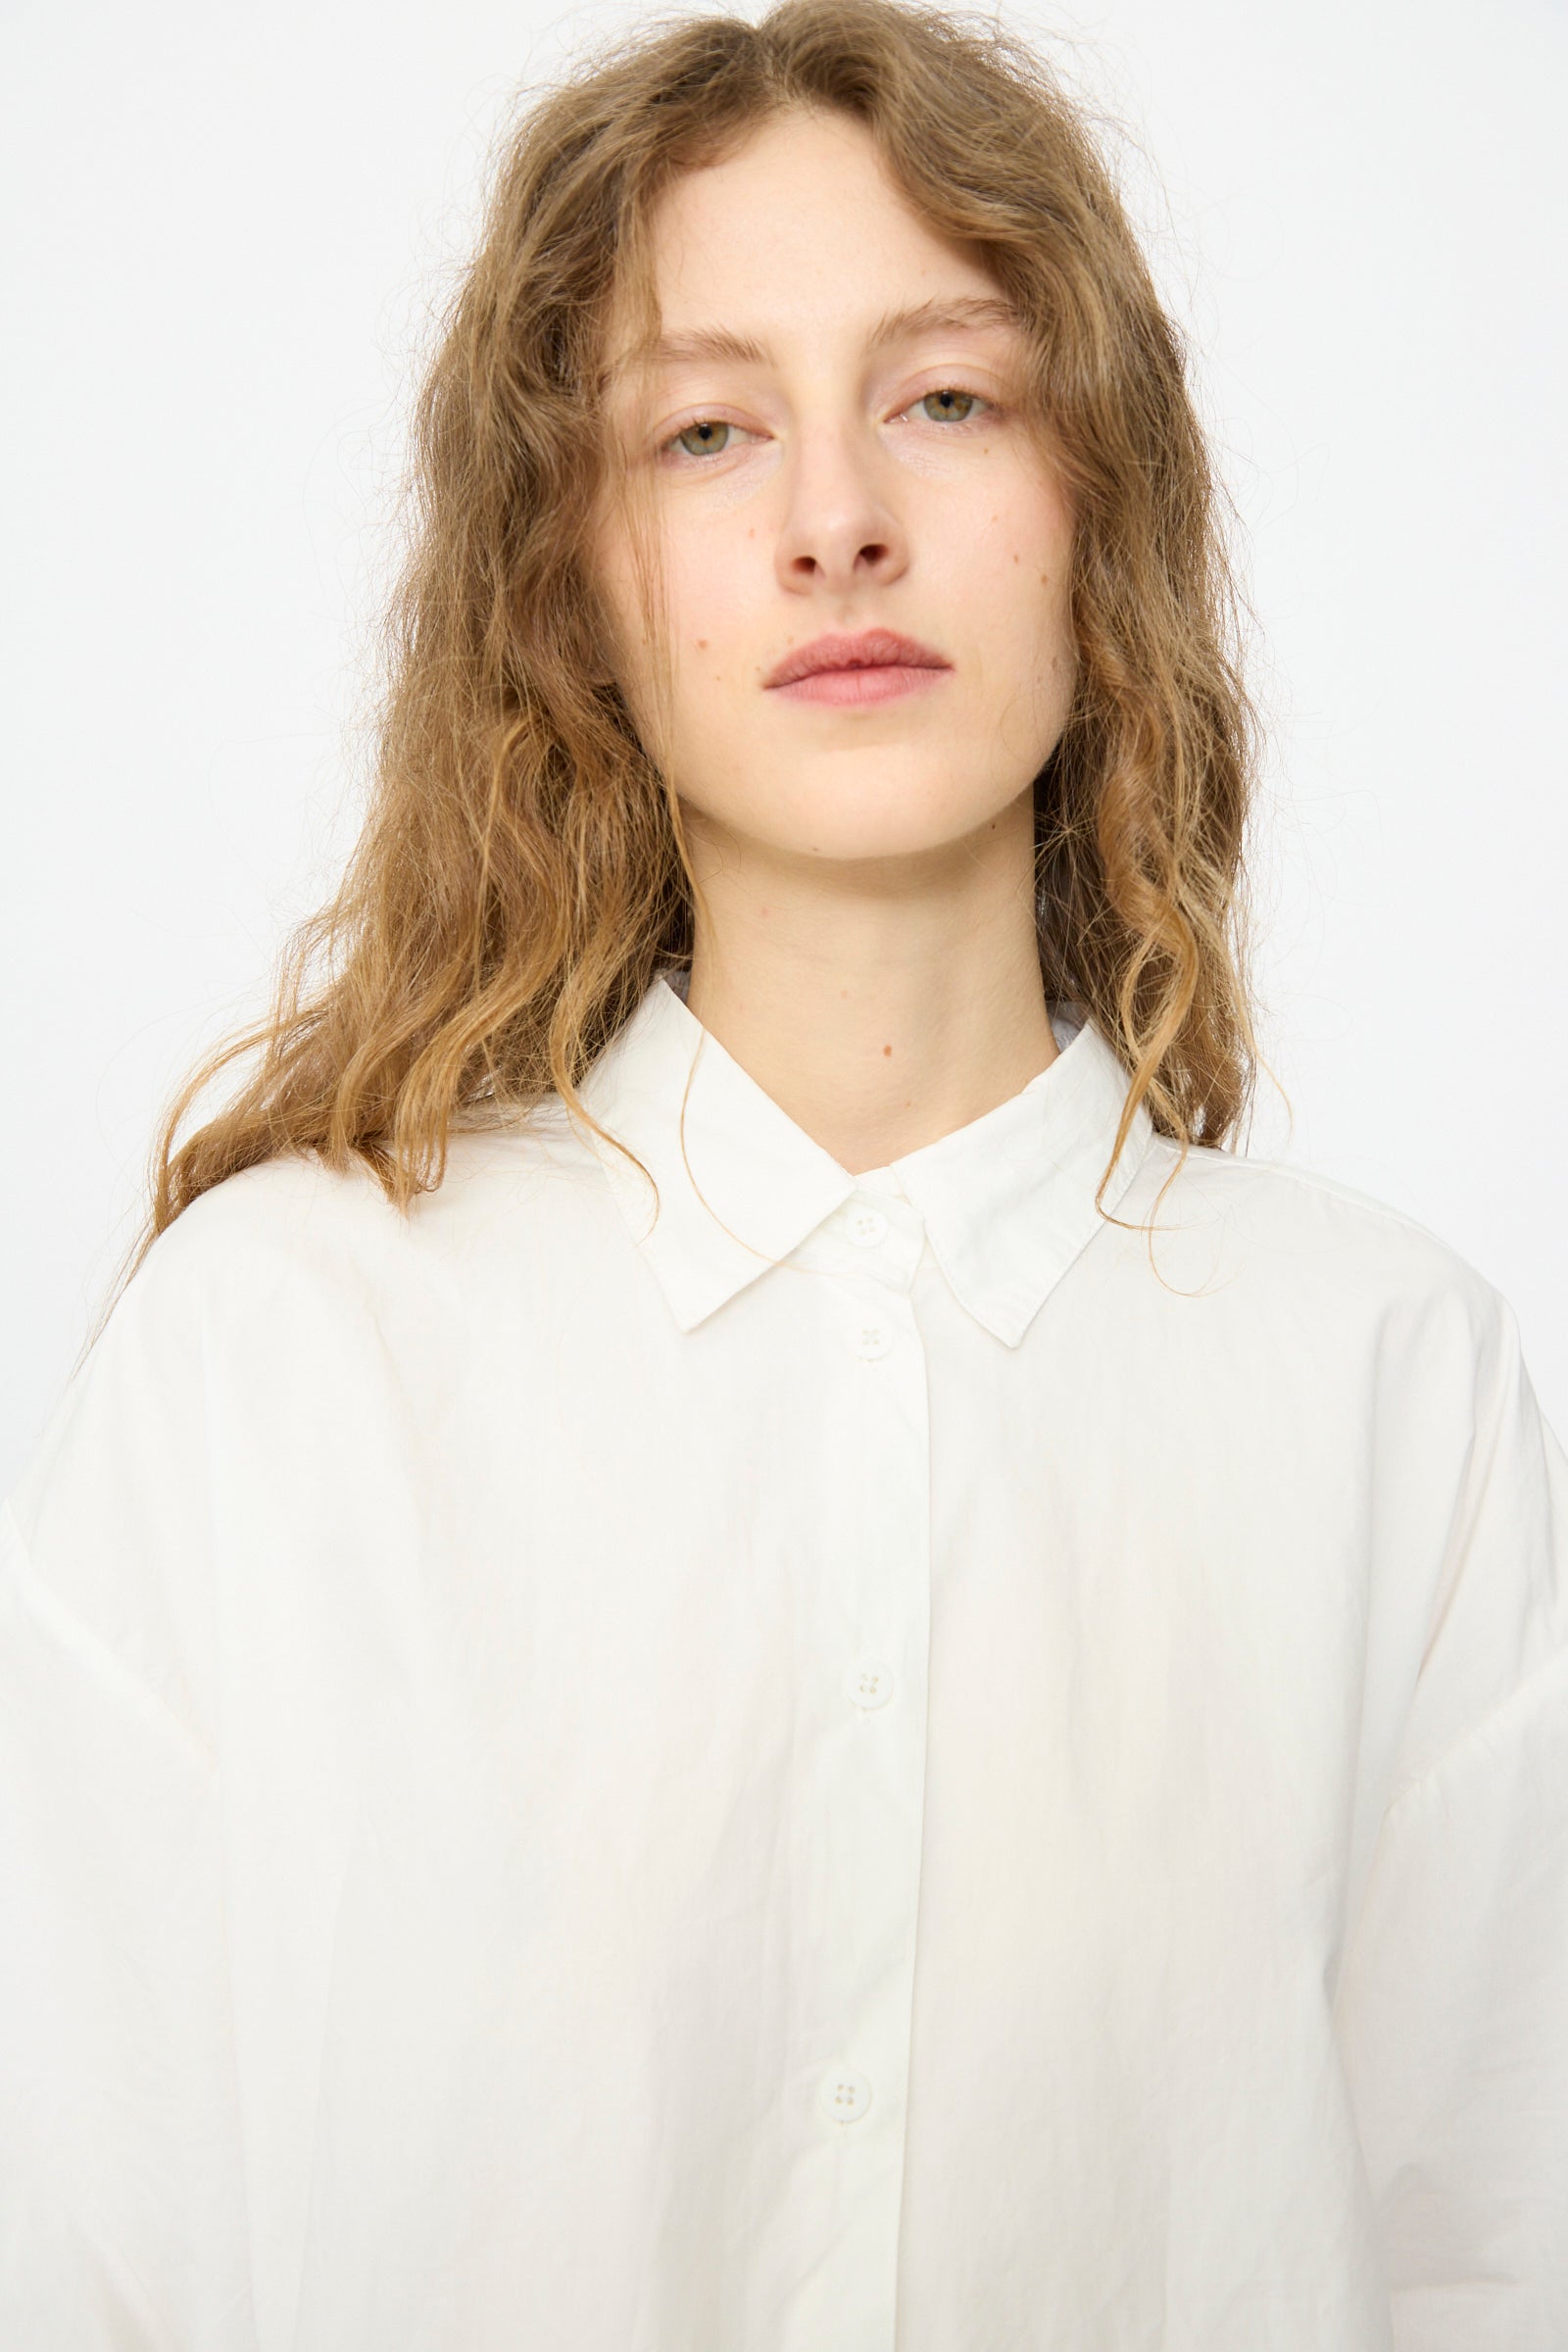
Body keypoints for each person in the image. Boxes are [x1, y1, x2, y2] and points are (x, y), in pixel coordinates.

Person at [2, 1, 1564, 2344]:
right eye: (706, 430)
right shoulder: (276, 1355)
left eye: (943, 396)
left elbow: (1485, 2265)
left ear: (1096, 515)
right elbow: (82, 2255)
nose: (837, 517)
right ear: (569, 589)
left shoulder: (1382, 1383)